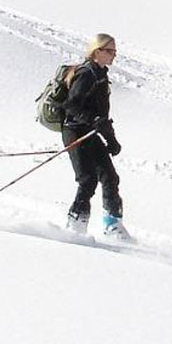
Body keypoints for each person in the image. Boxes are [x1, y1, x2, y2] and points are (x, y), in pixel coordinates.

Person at [61, 33, 126, 237]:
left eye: (115, 51)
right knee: (87, 180)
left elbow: (102, 116)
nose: (114, 55)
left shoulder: (100, 74)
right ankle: (76, 225)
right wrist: (92, 120)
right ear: (97, 51)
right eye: (110, 51)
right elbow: (70, 105)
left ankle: (112, 226)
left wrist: (111, 140)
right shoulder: (86, 74)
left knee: (110, 177)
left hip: (90, 132)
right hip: (74, 131)